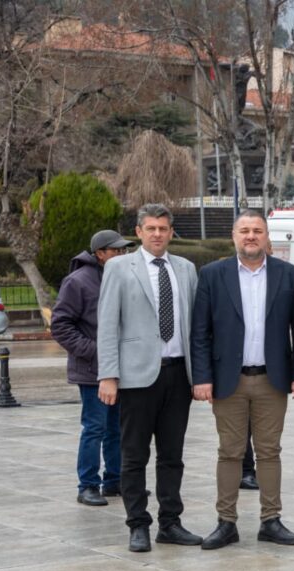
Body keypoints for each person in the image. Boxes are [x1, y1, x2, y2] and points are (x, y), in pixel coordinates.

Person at [191, 209, 294, 550]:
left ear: (267, 236)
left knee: (270, 452)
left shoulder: (288, 274)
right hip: (229, 381)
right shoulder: (213, 275)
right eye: (245, 230)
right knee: (230, 452)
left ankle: (271, 520)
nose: (251, 236)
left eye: (257, 230)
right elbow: (200, 332)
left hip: (273, 380)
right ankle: (226, 523)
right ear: (234, 236)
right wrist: (202, 377)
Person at [97, 204, 203, 552]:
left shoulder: (186, 269)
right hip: (136, 377)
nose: (157, 234)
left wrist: (200, 375)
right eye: (150, 228)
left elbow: (197, 327)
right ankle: (138, 524)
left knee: (172, 454)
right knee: (134, 455)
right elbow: (108, 325)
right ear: (138, 232)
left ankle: (170, 522)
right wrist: (108, 375)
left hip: (177, 375)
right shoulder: (118, 267)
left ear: (171, 232)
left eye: (163, 228)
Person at [51, 229, 133, 507]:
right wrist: (94, 351)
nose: (123, 254)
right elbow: (60, 325)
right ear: (100, 254)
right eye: (117, 251)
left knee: (117, 428)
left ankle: (114, 480)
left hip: (122, 368)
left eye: (124, 250)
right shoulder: (78, 281)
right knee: (94, 428)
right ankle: (87, 485)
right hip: (92, 371)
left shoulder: (121, 276)